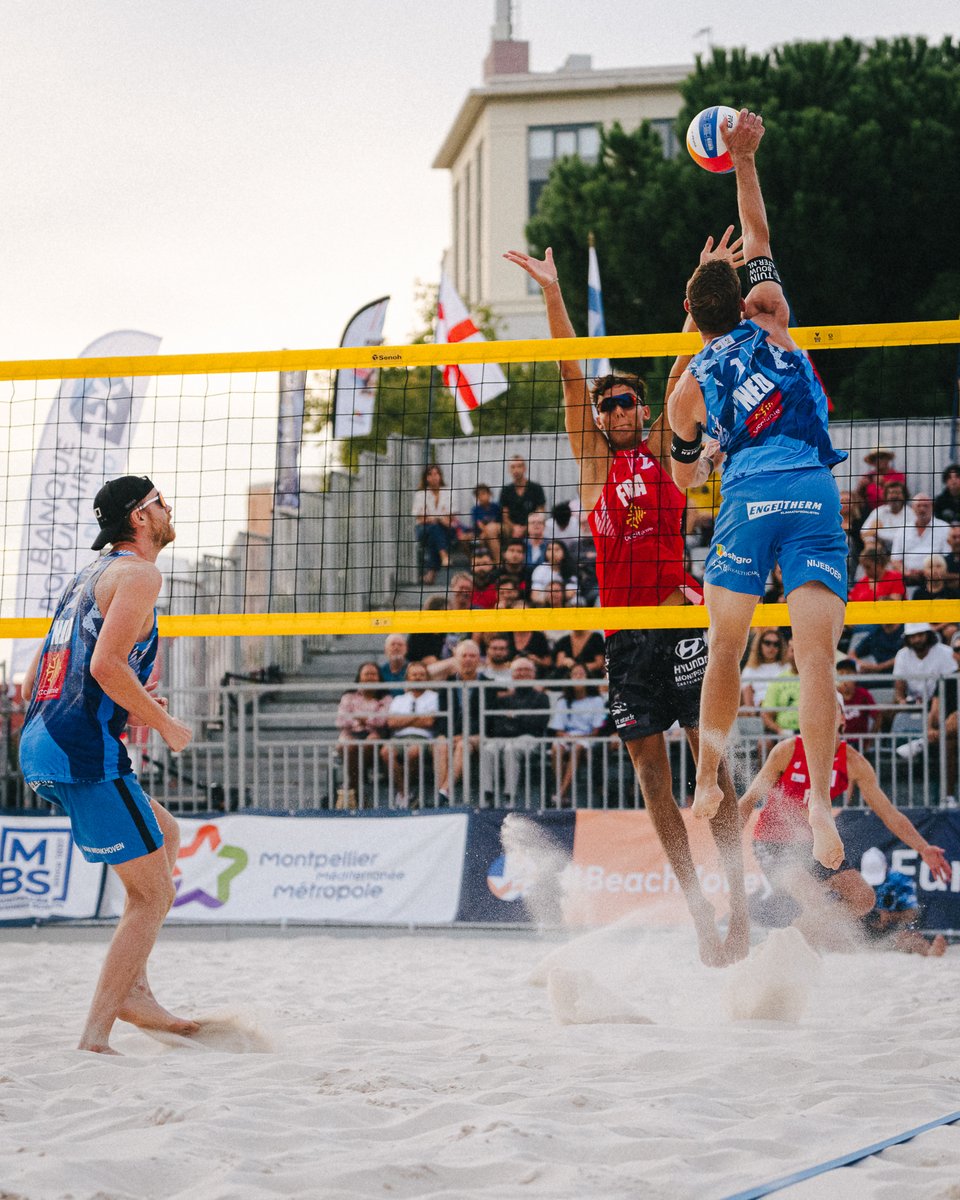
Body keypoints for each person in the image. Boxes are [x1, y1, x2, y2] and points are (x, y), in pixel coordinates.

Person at [505, 232, 750, 966]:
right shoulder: (591, 467)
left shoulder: (667, 459)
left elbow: (686, 358)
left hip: (676, 623)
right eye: (609, 403)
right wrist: (553, 295)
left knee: (714, 766)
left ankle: (740, 903)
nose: (615, 409)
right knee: (651, 773)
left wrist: (701, 287)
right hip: (624, 638)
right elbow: (569, 376)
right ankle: (699, 906)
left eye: (627, 402)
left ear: (641, 413)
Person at [668, 109, 848, 871]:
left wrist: (706, 454)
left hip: (745, 499)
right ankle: (819, 804)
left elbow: (682, 475)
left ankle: (707, 781)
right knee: (816, 663)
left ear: (692, 316)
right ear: (741, 299)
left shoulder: (689, 381)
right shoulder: (770, 316)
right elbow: (760, 233)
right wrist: (743, 161)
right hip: (810, 489)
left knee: (725, 653)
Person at [18, 475, 196, 1053]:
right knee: (152, 897)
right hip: (81, 753)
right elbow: (104, 667)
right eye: (159, 502)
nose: (169, 508)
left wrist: (133, 707)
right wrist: (163, 723)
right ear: (140, 519)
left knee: (165, 835)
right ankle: (97, 1035)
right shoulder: (141, 574)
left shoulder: (86, 576)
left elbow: (33, 681)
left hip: (43, 741)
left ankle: (134, 987)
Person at [739, 697, 951, 951]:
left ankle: (795, 940)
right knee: (814, 902)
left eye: (831, 710)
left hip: (814, 844)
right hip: (773, 844)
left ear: (842, 718)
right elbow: (748, 800)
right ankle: (793, 943)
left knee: (863, 899)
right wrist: (726, 844)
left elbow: (890, 814)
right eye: (817, 709)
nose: (823, 716)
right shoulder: (787, 750)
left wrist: (924, 848)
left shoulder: (852, 761)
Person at [481, 657, 552, 802]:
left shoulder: (542, 698)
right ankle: (487, 794)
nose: (522, 673)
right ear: (512, 674)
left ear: (533, 674)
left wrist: (513, 717)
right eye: (519, 670)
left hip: (530, 739)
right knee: (487, 749)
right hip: (505, 737)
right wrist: (520, 719)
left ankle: (509, 796)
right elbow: (498, 726)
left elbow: (538, 724)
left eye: (527, 670)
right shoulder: (504, 699)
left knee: (510, 749)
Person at [380, 661, 439, 807]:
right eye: (414, 674)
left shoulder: (434, 697)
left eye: (421, 674)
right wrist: (418, 717)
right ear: (408, 678)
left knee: (413, 752)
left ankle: (406, 792)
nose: (417, 677)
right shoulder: (399, 699)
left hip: (423, 737)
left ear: (427, 678)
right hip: (399, 737)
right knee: (386, 752)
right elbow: (392, 723)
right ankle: (404, 793)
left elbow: (429, 722)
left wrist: (404, 719)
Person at [549, 664, 608, 805]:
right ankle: (561, 792)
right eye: (574, 674)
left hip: (587, 738)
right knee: (556, 748)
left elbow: (596, 731)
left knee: (577, 748)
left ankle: (561, 794)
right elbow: (558, 729)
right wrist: (567, 738)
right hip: (567, 737)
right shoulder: (563, 701)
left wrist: (576, 738)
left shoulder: (597, 701)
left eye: (581, 674)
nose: (578, 677)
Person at [335, 662, 391, 805]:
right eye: (367, 674)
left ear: (379, 678)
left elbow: (382, 721)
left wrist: (358, 718)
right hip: (351, 735)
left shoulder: (386, 698)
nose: (370, 677)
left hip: (374, 737)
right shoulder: (348, 696)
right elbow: (341, 721)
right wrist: (367, 719)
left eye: (374, 674)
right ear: (359, 677)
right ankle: (358, 793)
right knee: (350, 746)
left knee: (369, 742)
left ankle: (352, 791)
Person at [886, 493, 951, 588]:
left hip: (936, 579)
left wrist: (929, 571)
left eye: (926, 506)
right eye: (918, 506)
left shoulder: (944, 528)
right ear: (912, 508)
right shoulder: (902, 530)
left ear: (932, 507)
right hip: (907, 579)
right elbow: (895, 560)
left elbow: (947, 557)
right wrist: (907, 572)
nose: (922, 509)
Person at [926, 633, 960, 805]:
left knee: (956, 716)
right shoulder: (947, 679)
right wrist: (930, 729)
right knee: (948, 742)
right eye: (958, 649)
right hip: (953, 732)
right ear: (953, 654)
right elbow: (934, 710)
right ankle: (947, 797)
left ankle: (919, 743)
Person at [892, 622, 956, 706]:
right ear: (907, 638)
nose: (917, 640)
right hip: (913, 704)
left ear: (928, 635)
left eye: (920, 635)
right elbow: (899, 688)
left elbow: (950, 687)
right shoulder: (902, 655)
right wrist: (901, 701)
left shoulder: (946, 652)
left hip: (941, 704)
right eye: (913, 636)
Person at [412, 464, 455, 585]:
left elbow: (451, 518)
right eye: (430, 474)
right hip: (423, 530)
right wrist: (439, 518)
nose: (434, 477)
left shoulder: (448, 492)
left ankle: (431, 574)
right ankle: (444, 556)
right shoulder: (420, 495)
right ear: (425, 478)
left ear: (440, 476)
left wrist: (432, 517)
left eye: (436, 474)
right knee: (434, 529)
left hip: (446, 529)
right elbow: (420, 519)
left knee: (434, 533)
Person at [499, 455, 546, 538]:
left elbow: (540, 512)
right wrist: (514, 527)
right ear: (509, 470)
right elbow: (505, 516)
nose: (516, 470)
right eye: (513, 467)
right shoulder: (506, 490)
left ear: (524, 468)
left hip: (532, 525)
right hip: (511, 527)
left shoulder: (536, 488)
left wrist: (527, 527)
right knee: (491, 529)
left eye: (519, 466)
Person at [859, 479, 910, 551]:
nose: (894, 496)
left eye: (898, 493)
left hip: (904, 547)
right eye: (891, 493)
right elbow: (864, 533)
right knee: (869, 542)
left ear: (904, 495)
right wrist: (872, 533)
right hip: (882, 548)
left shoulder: (911, 513)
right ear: (886, 496)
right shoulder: (879, 511)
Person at [855, 446, 907, 516]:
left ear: (888, 459)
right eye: (875, 458)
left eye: (882, 457)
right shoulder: (868, 476)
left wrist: (883, 483)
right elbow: (859, 498)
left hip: (893, 511)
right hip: (870, 512)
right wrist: (860, 487)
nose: (879, 460)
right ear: (872, 462)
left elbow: (903, 494)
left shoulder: (898, 475)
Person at [470, 483, 502, 563]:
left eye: (483, 494)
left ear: (489, 494)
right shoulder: (475, 509)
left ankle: (497, 561)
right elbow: (479, 524)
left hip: (495, 534)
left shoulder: (496, 507)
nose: (481, 497)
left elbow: (499, 522)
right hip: (480, 534)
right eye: (478, 495)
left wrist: (487, 533)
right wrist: (484, 533)